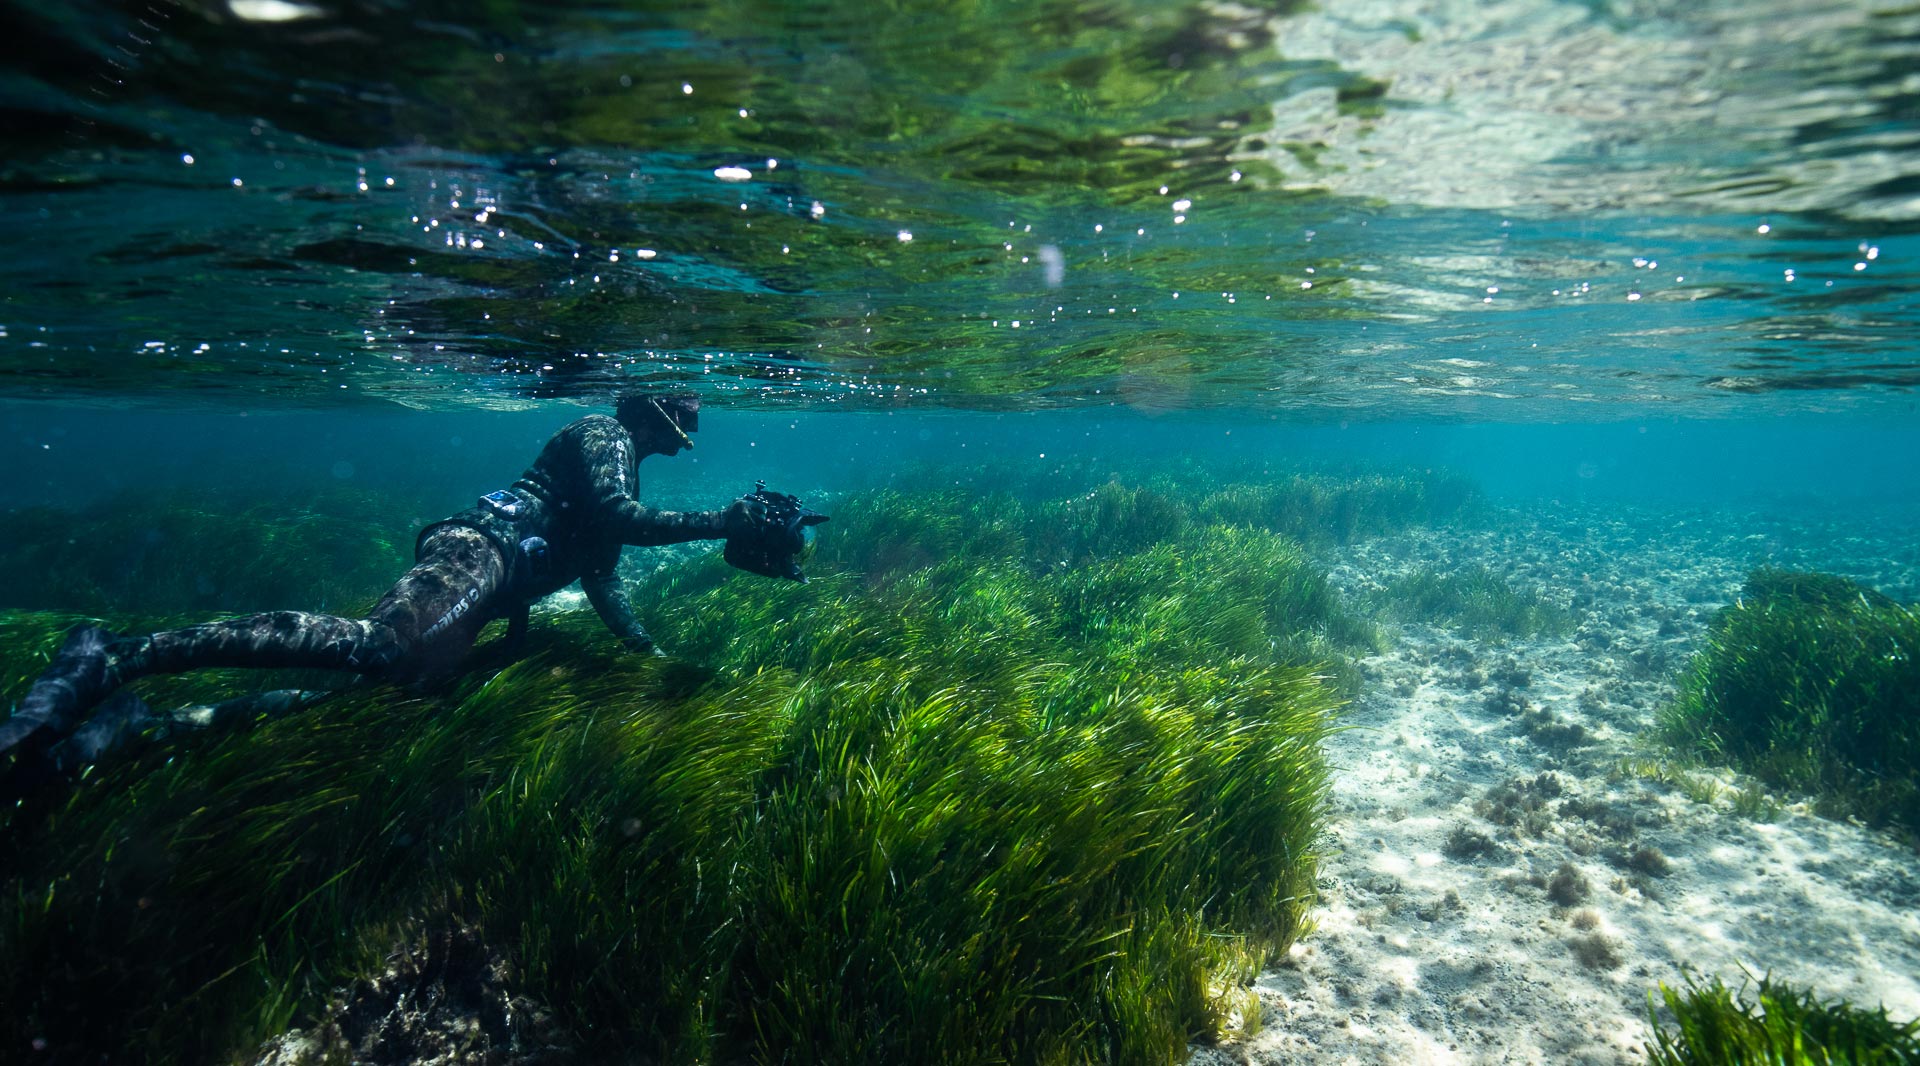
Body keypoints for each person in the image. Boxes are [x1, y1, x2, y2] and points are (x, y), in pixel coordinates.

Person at [1, 391, 759, 782]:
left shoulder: (621, 465)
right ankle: (114, 656)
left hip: (489, 587)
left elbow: (602, 576)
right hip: (476, 555)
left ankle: (146, 730)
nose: (683, 437)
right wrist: (721, 521)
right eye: (681, 422)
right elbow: (621, 519)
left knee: (369, 691)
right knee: (378, 646)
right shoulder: (603, 435)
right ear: (654, 414)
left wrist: (647, 653)